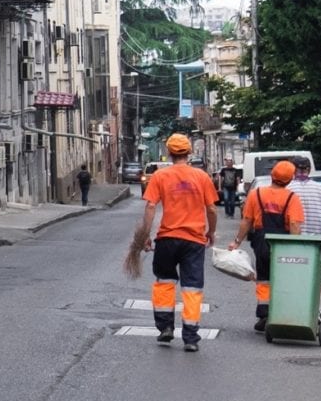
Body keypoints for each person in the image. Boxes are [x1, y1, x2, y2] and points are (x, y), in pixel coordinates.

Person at [125, 132, 219, 351]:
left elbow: (150, 207)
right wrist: (211, 232)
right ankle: (191, 338)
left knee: (165, 283)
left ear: (169, 152)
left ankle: (166, 328)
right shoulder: (202, 177)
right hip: (194, 240)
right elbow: (212, 208)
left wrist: (145, 236)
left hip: (167, 239)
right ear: (189, 152)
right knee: (192, 288)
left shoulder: (160, 176)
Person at [232, 160, 306, 332]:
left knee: (264, 277)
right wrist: (294, 246)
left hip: (261, 240)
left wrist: (236, 242)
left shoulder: (256, 194)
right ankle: (281, 313)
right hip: (284, 242)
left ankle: (264, 313)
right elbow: (295, 225)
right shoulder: (292, 198)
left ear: (272, 175)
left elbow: (247, 221)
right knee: (282, 277)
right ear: (290, 180)